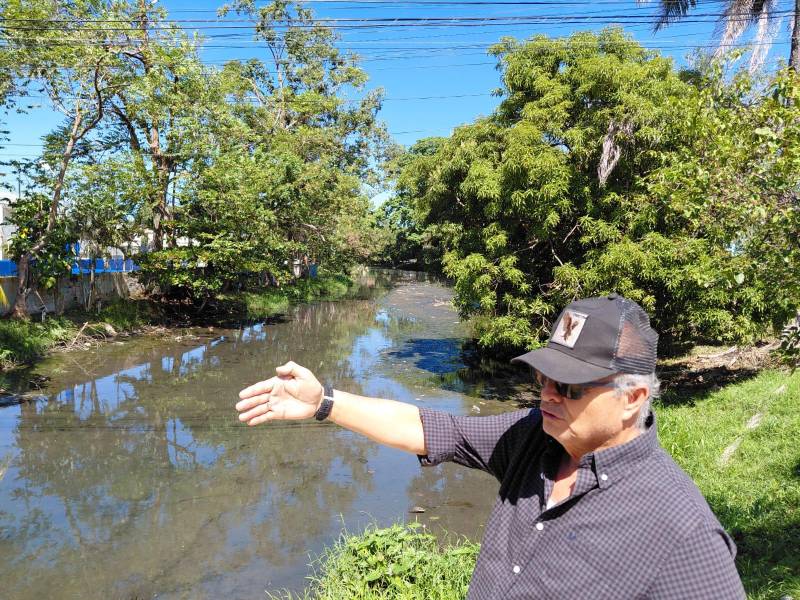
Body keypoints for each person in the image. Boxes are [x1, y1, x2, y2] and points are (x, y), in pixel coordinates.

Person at [235, 294, 746, 599]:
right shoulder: (534, 436)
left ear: (631, 399)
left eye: (568, 387)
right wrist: (325, 402)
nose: (546, 394)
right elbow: (437, 430)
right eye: (544, 377)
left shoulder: (684, 533)